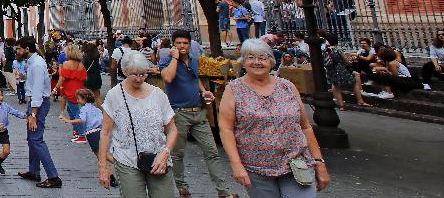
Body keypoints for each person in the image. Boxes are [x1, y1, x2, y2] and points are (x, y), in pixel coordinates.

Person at [219, 38, 330, 196]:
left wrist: (319, 162)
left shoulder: (287, 86)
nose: (257, 62)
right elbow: (226, 129)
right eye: (251, 57)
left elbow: (305, 126)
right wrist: (236, 165)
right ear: (243, 62)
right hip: (256, 168)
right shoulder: (234, 89)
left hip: (296, 164)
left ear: (271, 62)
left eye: (262, 58)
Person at [159, 30, 237, 198]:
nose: (182, 46)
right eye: (178, 43)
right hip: (178, 113)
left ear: (189, 44)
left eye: (185, 43)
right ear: (174, 44)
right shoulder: (167, 60)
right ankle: (182, 188)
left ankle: (224, 191)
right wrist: (174, 58)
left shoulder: (194, 61)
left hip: (198, 112)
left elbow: (195, 79)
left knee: (212, 152)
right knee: (178, 154)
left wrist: (203, 91)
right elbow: (168, 78)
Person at [98, 50, 177, 198]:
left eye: (143, 74)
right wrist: (103, 167)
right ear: (125, 71)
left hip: (158, 159)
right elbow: (105, 132)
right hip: (126, 159)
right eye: (135, 74)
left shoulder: (158, 94)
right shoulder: (114, 95)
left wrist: (165, 153)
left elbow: (172, 130)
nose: (139, 78)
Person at [14, 36, 61, 187]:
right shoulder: (34, 63)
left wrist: (33, 114)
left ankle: (53, 177)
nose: (18, 51)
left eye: (19, 49)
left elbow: (38, 92)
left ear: (27, 49)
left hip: (38, 105)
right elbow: (36, 83)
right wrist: (25, 77)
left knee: (36, 139)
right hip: (36, 104)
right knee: (32, 138)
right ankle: (33, 171)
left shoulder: (37, 65)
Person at [319, 32, 369, 110]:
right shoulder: (338, 50)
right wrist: (351, 60)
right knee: (354, 83)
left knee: (337, 87)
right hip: (341, 70)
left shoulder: (326, 50)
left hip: (331, 71)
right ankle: (360, 101)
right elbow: (347, 62)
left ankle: (341, 105)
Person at [54, 44, 87, 141]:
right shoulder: (81, 65)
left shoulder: (66, 64)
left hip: (70, 90)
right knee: (71, 110)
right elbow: (85, 78)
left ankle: (81, 134)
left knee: (76, 112)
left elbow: (62, 78)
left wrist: (55, 88)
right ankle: (77, 130)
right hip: (79, 90)